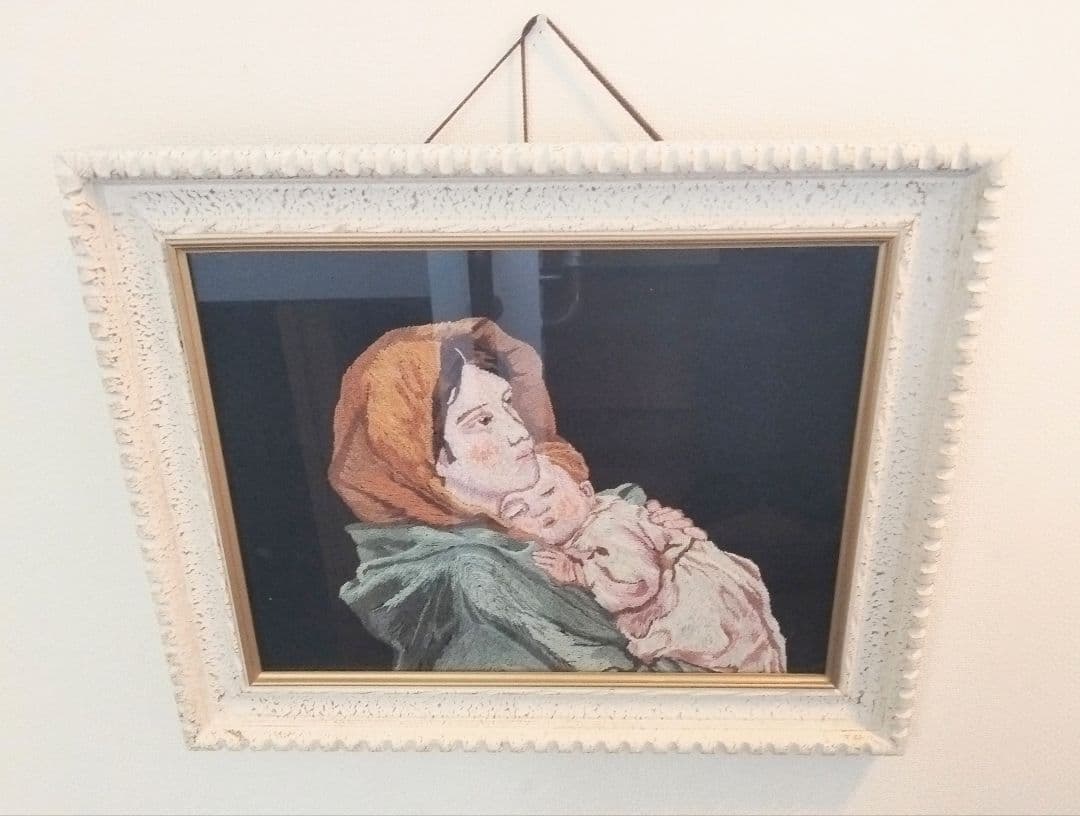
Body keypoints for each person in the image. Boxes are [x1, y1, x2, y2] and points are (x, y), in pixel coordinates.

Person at [328, 317, 696, 672]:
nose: (519, 432)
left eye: (507, 403)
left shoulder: (570, 504)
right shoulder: (475, 576)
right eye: (482, 421)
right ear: (422, 458)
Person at [498, 455, 787, 672]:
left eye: (549, 492)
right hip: (696, 587)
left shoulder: (605, 530)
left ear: (586, 493)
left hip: (688, 600)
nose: (540, 508)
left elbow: (638, 583)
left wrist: (579, 574)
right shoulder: (598, 522)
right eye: (519, 510)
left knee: (729, 652)